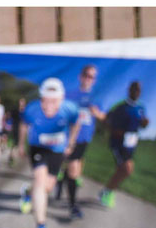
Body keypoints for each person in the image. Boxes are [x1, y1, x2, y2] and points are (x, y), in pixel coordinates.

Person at [20, 77, 81, 228]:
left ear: (62, 99)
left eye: (54, 101)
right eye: (45, 101)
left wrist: (71, 143)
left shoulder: (70, 109)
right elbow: (23, 125)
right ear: (40, 99)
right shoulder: (32, 109)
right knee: (40, 181)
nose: (49, 106)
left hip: (57, 150)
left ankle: (28, 192)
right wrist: (20, 145)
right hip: (38, 147)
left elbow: (76, 123)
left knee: (47, 187)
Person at [58, 64, 106, 219]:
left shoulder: (96, 97)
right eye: (86, 75)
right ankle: (73, 206)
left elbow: (103, 116)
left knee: (74, 170)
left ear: (94, 80)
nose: (88, 79)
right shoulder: (70, 95)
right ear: (81, 76)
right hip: (69, 138)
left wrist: (96, 112)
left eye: (92, 76)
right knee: (73, 169)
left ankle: (62, 181)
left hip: (84, 138)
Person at [100, 81, 149, 209]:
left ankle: (108, 190)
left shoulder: (141, 107)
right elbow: (106, 120)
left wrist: (145, 123)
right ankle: (107, 191)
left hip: (131, 143)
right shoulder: (120, 106)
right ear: (129, 90)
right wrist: (115, 130)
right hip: (118, 143)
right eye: (134, 89)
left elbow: (141, 125)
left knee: (122, 170)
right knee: (127, 169)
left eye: (139, 90)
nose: (136, 92)